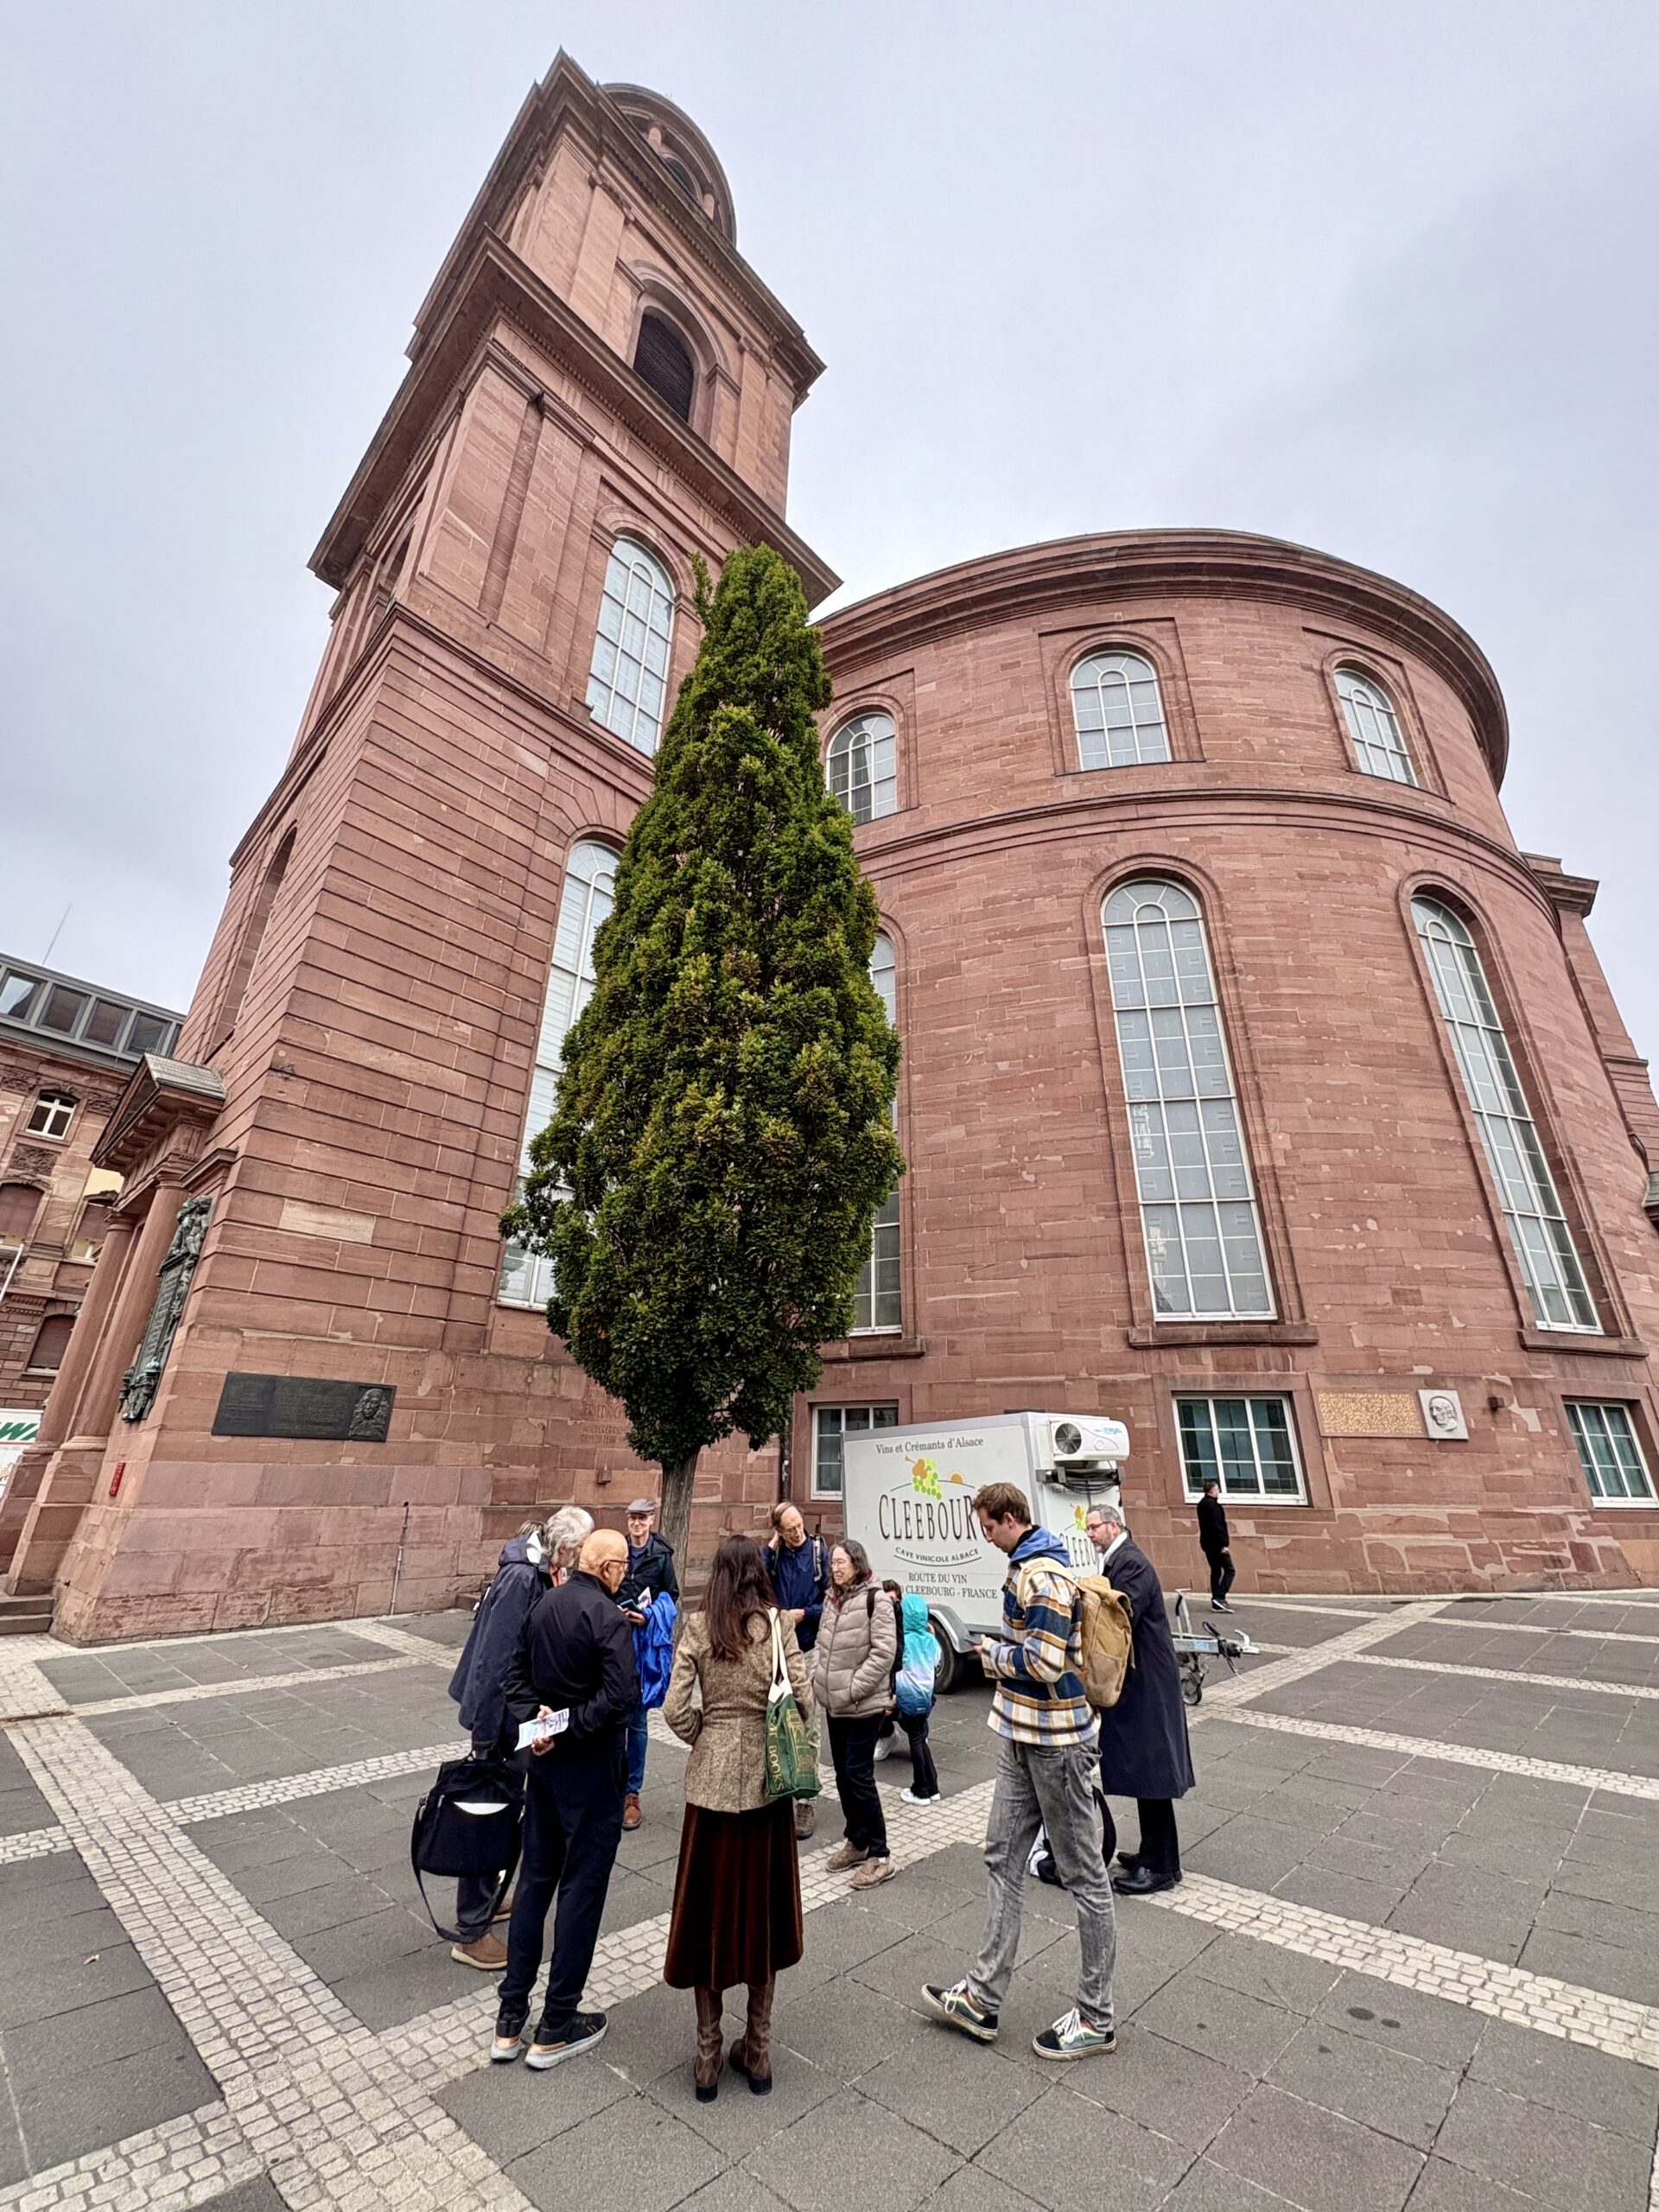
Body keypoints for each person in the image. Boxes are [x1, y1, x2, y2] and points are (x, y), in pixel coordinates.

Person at [923, 1481, 1117, 2062]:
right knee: (1001, 1856)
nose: (984, 1537)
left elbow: (1046, 1660)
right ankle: (981, 1999)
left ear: (1010, 1519)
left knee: (1084, 1876)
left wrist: (992, 1656)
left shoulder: (1044, 1576)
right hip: (1022, 1735)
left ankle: (1096, 2016)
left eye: (987, 1526)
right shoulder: (1027, 1565)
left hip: (1055, 1745)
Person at [662, 1535, 814, 2101]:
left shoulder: (700, 1627)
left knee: (708, 1915)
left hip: (711, 1789)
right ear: (758, 1573)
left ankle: (706, 2057)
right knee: (763, 1915)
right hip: (769, 1788)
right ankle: (758, 2049)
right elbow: (803, 1697)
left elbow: (674, 1707)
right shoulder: (776, 1626)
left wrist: (707, 1737)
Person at [493, 1528, 636, 2069]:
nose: (625, 1573)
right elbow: (620, 1699)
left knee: (535, 1881)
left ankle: (509, 2019)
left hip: (544, 1766)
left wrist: (538, 1721)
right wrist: (569, 1726)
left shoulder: (544, 1604)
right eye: (622, 1565)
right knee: (581, 1888)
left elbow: (514, 1675)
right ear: (608, 1568)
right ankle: (556, 2022)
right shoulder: (608, 1619)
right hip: (592, 1770)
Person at [443, 1517, 557, 1969]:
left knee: (505, 1815)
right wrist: (487, 1734)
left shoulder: (528, 1570)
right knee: (486, 1818)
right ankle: (471, 1931)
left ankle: (488, 1900)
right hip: (499, 1723)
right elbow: (495, 1659)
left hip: (510, 1721)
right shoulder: (522, 1577)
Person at [1086, 1501, 1195, 1895]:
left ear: (1114, 1527)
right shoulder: (1120, 1560)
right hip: (1141, 1681)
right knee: (1146, 1771)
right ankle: (1157, 1854)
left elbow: (1119, 1618)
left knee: (1152, 1773)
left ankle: (1161, 1867)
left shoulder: (1129, 1562)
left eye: (1094, 1527)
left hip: (1147, 1682)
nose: (1090, 1534)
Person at [810, 1539, 898, 1889]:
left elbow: (883, 1653)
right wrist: (820, 1679)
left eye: (841, 1561)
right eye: (832, 1562)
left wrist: (852, 1689)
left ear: (857, 1563)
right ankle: (857, 1840)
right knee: (844, 1776)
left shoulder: (876, 1600)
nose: (835, 1567)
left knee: (859, 1775)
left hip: (863, 1704)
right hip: (835, 1703)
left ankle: (881, 1854)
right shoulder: (832, 1599)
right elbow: (820, 1644)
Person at [766, 1502, 833, 1836]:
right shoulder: (775, 1555)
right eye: (789, 1528)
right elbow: (755, 1582)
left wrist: (805, 1614)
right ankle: (777, 1786)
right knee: (774, 1720)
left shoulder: (819, 1552)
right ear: (779, 1531)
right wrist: (770, 1547)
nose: (798, 1531)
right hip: (775, 1649)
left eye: (799, 1525)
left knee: (809, 1725)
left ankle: (805, 1801)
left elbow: (832, 1600)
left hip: (808, 1647)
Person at [616, 1495, 679, 1830]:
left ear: (651, 1520)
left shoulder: (661, 1555)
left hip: (643, 1645)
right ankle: (610, 1788)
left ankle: (632, 1793)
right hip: (613, 1643)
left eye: (642, 1518)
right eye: (632, 1518)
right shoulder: (617, 1548)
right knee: (611, 1718)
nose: (637, 1524)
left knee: (637, 1723)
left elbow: (672, 1596)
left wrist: (649, 1616)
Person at [892, 1588, 942, 1805]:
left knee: (915, 1741)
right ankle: (933, 1787)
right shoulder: (930, 1641)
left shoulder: (904, 1641)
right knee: (921, 1739)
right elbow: (936, 1661)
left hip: (908, 1698)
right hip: (926, 1698)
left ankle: (921, 1790)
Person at [1196, 1479, 1236, 1612]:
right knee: (1230, 1570)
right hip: (1217, 1544)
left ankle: (1215, 1601)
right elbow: (1219, 1526)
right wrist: (1224, 1544)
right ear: (1212, 1490)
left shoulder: (1201, 1504)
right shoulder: (1214, 1506)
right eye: (1217, 1489)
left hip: (1207, 1543)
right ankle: (1220, 1598)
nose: (1218, 1492)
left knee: (1216, 1571)